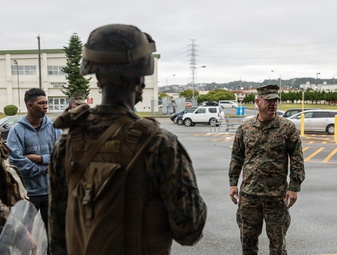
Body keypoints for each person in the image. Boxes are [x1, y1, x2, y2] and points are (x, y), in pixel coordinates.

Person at [49, 24, 207, 255]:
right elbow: (189, 230)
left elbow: (57, 234)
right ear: (140, 76)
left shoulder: (67, 142)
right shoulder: (159, 144)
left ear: (97, 75)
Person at [228, 84, 305, 255]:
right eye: (269, 100)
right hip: (249, 195)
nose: (273, 104)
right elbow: (237, 157)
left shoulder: (287, 128)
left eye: (276, 100)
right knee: (247, 242)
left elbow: (297, 159)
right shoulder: (245, 128)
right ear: (258, 102)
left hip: (276, 196)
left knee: (277, 244)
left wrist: (294, 187)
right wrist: (233, 183)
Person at [6, 88, 62, 247]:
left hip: (51, 191)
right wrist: (44, 168)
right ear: (30, 106)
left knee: (55, 235)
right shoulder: (17, 130)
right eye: (41, 103)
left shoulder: (54, 127)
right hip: (28, 195)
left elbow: (61, 156)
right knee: (24, 238)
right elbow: (17, 162)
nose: (46, 106)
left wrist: (40, 158)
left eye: (46, 103)